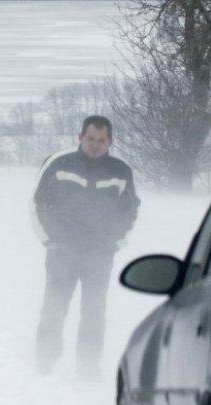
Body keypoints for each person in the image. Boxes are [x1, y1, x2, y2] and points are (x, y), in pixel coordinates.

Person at [31, 115, 140, 378]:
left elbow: (130, 210)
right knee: (54, 307)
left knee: (94, 312)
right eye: (90, 138)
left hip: (99, 256)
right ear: (80, 137)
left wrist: (115, 243)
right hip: (61, 253)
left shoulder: (121, 170)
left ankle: (88, 367)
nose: (95, 145)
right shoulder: (58, 163)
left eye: (101, 140)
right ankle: (44, 363)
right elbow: (37, 204)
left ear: (110, 141)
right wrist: (51, 241)